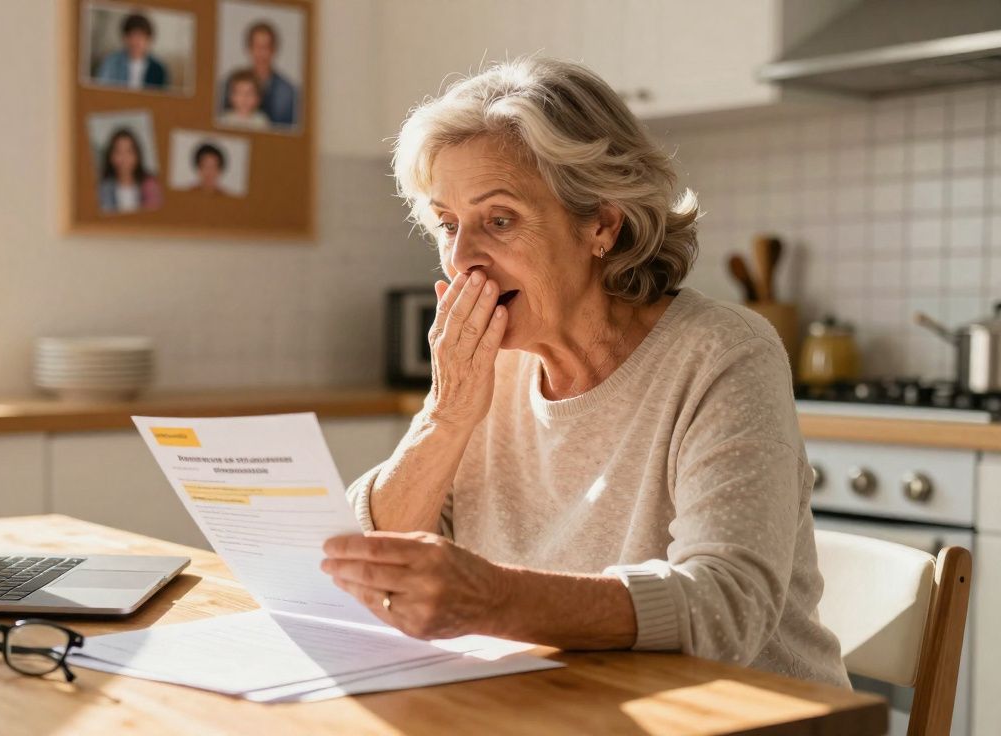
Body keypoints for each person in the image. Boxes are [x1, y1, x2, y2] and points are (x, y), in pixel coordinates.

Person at [321, 57, 849, 687]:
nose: (462, 258)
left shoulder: (722, 352)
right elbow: (370, 564)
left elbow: (726, 606)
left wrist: (496, 599)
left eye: (499, 220)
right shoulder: (490, 368)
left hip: (750, 717)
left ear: (600, 222)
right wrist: (446, 413)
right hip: (569, 705)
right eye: (446, 224)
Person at [222, 21, 296, 127]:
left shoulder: (287, 92)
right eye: (257, 47)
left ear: (274, 50)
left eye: (265, 47)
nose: (261, 54)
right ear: (249, 49)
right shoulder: (231, 81)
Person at [94, 13, 170, 90]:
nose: (135, 42)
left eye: (140, 36)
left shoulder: (158, 69)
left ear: (149, 39)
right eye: (131, 36)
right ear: (124, 37)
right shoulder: (111, 63)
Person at [98, 127, 162, 213]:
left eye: (129, 152)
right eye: (118, 152)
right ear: (111, 157)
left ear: (137, 156)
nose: (124, 159)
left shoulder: (150, 185)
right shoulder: (102, 189)